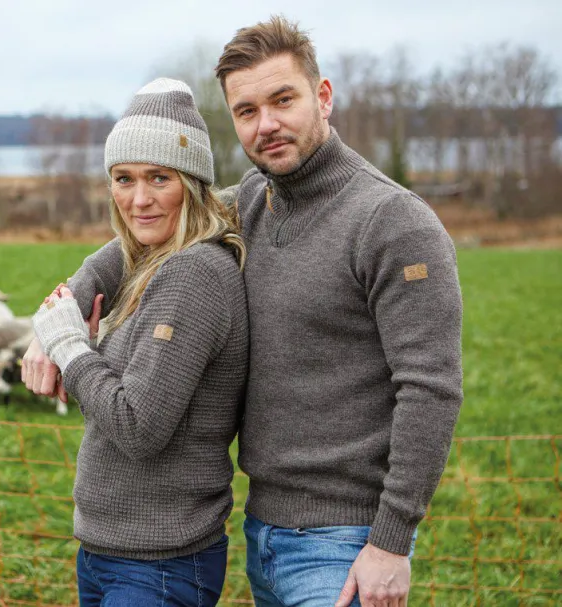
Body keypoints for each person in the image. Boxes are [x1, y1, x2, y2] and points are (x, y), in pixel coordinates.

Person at [25, 16, 464, 607]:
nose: (266, 124)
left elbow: (431, 389)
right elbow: (146, 232)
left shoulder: (393, 223)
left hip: (347, 543)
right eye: (246, 110)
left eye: (283, 100)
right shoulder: (256, 200)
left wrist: (391, 542)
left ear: (323, 96)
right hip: (264, 533)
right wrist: (61, 313)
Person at [29, 77, 248, 606]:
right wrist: (65, 311)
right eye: (123, 179)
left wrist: (69, 347)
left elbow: (137, 425)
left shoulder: (193, 273)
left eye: (159, 178)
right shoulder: (152, 259)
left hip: (160, 564)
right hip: (109, 552)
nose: (139, 199)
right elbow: (116, 253)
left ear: (192, 184)